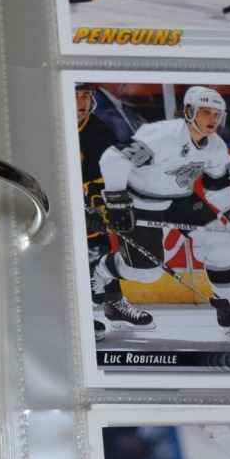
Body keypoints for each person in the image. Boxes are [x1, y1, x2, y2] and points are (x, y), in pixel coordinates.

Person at [95, 86, 230, 335]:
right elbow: (113, 158)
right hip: (141, 200)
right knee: (148, 274)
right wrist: (117, 201)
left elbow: (217, 188)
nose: (212, 119)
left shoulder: (216, 147)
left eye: (217, 114)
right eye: (206, 112)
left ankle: (229, 311)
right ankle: (101, 269)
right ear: (189, 111)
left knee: (221, 241)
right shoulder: (163, 135)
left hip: (180, 200)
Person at [76, 82, 129, 340]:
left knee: (98, 248)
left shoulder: (99, 131)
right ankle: (77, 317)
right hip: (50, 204)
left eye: (85, 96)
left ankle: (113, 303)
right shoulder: (46, 128)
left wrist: (99, 206)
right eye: (75, 96)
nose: (81, 103)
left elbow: (105, 177)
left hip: (83, 202)